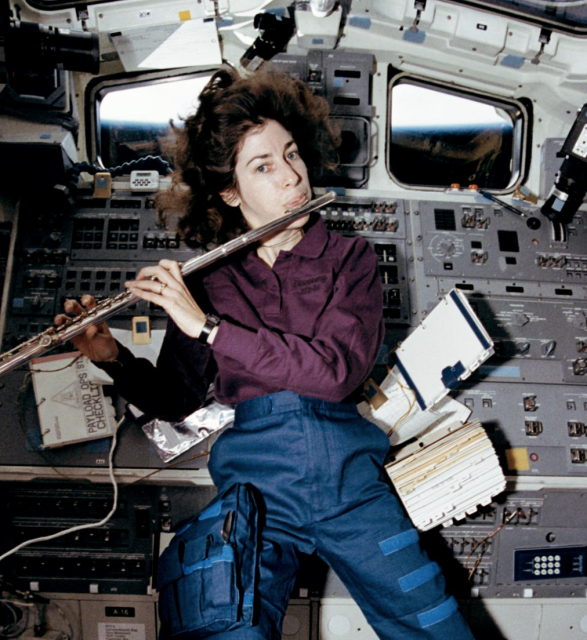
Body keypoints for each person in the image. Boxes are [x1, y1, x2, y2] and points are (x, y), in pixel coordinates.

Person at [57, 66, 475, 640]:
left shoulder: (351, 260)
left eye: (292, 154)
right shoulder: (210, 278)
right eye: (264, 166)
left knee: (435, 627)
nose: (292, 177)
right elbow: (177, 399)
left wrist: (209, 329)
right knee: (224, 630)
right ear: (230, 191)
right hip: (254, 488)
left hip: (350, 482)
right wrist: (111, 356)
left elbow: (333, 374)